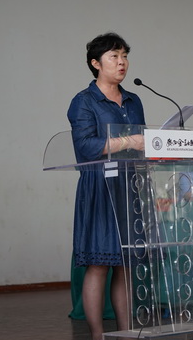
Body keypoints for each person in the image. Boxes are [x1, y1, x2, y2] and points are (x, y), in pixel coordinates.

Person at [67, 32, 145, 339]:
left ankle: (126, 333)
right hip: (99, 187)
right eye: (114, 56)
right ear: (96, 63)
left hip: (130, 185)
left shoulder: (133, 100)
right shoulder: (84, 101)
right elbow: (86, 146)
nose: (122, 62)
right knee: (99, 264)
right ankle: (98, 335)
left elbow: (142, 143)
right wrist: (129, 141)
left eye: (124, 56)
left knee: (125, 263)